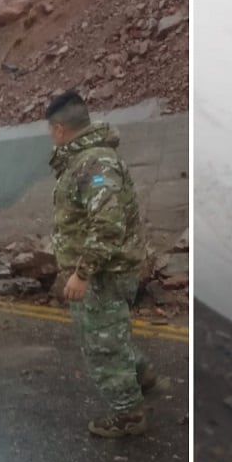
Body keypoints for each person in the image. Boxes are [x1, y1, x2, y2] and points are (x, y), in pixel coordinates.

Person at [46, 90, 159, 437]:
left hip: (102, 274)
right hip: (107, 269)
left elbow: (108, 224)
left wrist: (82, 273)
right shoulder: (90, 159)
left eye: (51, 130)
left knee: (102, 345)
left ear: (60, 129)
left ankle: (129, 416)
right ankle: (140, 374)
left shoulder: (93, 163)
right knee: (109, 333)